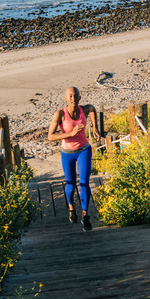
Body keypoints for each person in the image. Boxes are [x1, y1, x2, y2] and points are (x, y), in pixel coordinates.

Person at [48, 87, 100, 231]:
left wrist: (95, 127)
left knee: (84, 183)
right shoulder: (60, 114)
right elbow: (50, 136)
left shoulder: (84, 109)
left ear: (79, 98)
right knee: (70, 185)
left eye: (75, 96)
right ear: (65, 98)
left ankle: (85, 216)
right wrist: (70, 133)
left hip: (84, 150)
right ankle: (71, 208)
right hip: (67, 153)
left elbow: (93, 109)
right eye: (70, 96)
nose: (73, 98)